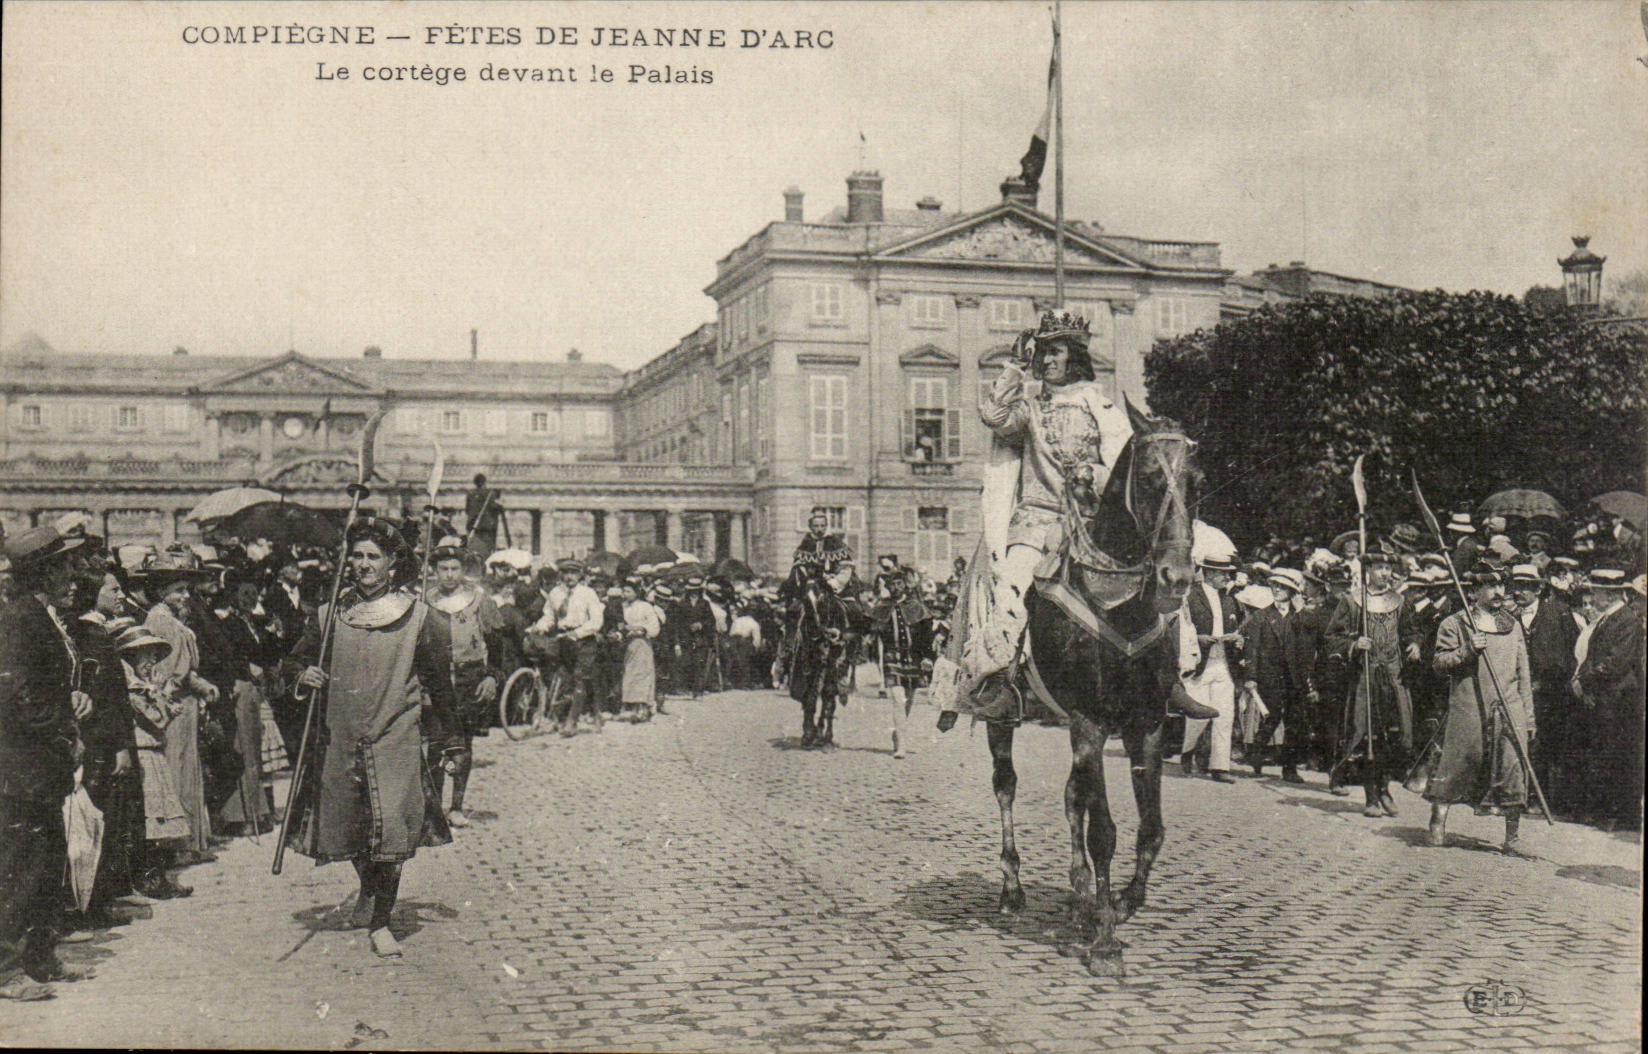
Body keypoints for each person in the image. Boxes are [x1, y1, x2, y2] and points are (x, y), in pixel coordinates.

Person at [937, 309, 1133, 723]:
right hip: (1036, 521)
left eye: (1055, 352)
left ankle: (1164, 680)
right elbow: (993, 417)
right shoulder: (1028, 408)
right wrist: (1014, 368)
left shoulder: (1100, 404)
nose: (1047, 361)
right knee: (1011, 590)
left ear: (1074, 356)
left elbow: (1122, 465)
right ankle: (1000, 682)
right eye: (1042, 353)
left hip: (1091, 524)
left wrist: (1094, 475)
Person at [285, 517, 468, 958]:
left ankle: (382, 920)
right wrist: (301, 675)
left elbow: (440, 687)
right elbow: (294, 662)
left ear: (392, 563)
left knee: (391, 831)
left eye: (373, 556)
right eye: (358, 555)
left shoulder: (421, 617)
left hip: (395, 735)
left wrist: (453, 741)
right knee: (348, 825)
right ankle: (369, 888)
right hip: (340, 735)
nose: (363, 564)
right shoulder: (328, 614)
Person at [0, 527, 93, 1000]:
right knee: (16, 869)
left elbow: (43, 688)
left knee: (43, 865)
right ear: (45, 571)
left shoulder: (42, 615)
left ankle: (39, 958)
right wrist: (63, 734)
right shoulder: (18, 618)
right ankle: (6, 970)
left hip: (41, 769)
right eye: (66, 566)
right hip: (21, 769)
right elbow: (18, 695)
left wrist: (72, 703)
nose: (74, 575)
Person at [1420, 563, 1536, 852]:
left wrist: (1529, 718)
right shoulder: (1455, 624)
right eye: (1490, 586)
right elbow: (1439, 664)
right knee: (1457, 765)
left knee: (1513, 768)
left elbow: (1524, 674)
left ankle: (1512, 837)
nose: (1499, 592)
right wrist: (1467, 650)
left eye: (1501, 586)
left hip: (1509, 708)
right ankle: (1438, 822)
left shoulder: (1513, 625)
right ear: (1473, 592)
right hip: (1469, 707)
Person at [135, 555, 218, 859]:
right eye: (178, 590)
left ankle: (191, 841)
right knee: (176, 770)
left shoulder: (172, 618)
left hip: (186, 702)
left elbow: (184, 670)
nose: (185, 596)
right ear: (161, 591)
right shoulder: (160, 620)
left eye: (186, 590)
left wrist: (201, 686)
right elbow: (163, 672)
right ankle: (177, 845)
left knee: (186, 768)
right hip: (174, 706)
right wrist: (168, 701)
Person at [1325, 551, 1417, 817]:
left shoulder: (1400, 602)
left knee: (1395, 735)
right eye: (1378, 568)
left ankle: (1385, 788)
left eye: (1388, 568)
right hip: (1365, 677)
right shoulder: (1352, 601)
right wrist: (1354, 644)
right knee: (1367, 736)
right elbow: (1332, 636)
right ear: (1368, 571)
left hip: (1394, 677)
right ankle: (1371, 796)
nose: (1384, 573)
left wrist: (1414, 644)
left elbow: (1412, 630)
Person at [424, 540, 503, 828]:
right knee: (434, 745)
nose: (448, 575)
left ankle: (456, 807)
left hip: (469, 679)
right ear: (433, 571)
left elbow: (496, 644)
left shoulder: (479, 600)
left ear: (462, 570)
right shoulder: (424, 600)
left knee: (461, 744)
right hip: (434, 681)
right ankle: (432, 810)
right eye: (442, 569)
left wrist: (491, 676)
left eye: (454, 568)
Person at [1572, 569, 1644, 831]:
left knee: (1615, 754)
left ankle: (1616, 814)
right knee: (1601, 751)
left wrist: (1585, 681)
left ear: (1611, 594)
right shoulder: (1607, 619)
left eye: (1596, 591)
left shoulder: (1627, 620)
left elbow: (1615, 663)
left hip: (1618, 699)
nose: (1592, 595)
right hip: (1603, 696)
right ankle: (1603, 809)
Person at [1511, 564, 1579, 818]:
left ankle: (1548, 799)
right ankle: (1521, 795)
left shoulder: (1559, 613)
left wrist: (1554, 683)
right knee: (1523, 742)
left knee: (1549, 744)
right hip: (1519, 692)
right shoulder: (1509, 617)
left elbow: (1574, 653)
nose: (1520, 592)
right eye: (1517, 587)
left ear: (1538, 589)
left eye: (1526, 587)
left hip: (1553, 694)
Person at [1179, 553, 1246, 782]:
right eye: (1222, 573)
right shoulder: (1190, 596)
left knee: (1224, 715)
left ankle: (1220, 767)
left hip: (1223, 664)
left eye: (1227, 573)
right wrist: (1199, 638)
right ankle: (1187, 751)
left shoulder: (1229, 599)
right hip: (1200, 664)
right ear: (1209, 573)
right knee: (1198, 715)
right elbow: (1182, 628)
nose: (1226, 577)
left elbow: (1236, 628)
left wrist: (1236, 639)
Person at [1246, 568, 1305, 782]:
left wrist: (1301, 613)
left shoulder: (1299, 618)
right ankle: (1257, 752)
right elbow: (1251, 649)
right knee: (1272, 716)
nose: (1277, 590)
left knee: (1294, 722)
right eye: (1275, 586)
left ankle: (1289, 769)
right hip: (1269, 676)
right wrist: (1251, 676)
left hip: (1294, 677)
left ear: (1292, 592)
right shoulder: (1261, 617)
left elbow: (1306, 644)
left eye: (1283, 587)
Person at [872, 567, 934, 758]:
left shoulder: (916, 606)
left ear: (906, 585)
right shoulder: (882, 608)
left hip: (913, 658)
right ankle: (902, 744)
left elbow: (926, 635)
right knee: (898, 700)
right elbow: (871, 627)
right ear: (888, 587)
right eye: (893, 584)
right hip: (892, 657)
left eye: (900, 583)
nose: (896, 587)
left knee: (908, 701)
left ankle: (897, 733)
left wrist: (927, 656)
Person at [618, 579, 662, 720]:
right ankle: (628, 705)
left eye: (628, 591)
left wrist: (641, 629)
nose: (625, 594)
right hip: (627, 644)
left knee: (642, 674)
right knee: (629, 673)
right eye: (623, 591)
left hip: (642, 644)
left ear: (636, 593)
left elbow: (654, 626)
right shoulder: (622, 607)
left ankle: (642, 706)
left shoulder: (645, 607)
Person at [463, 473, 509, 559]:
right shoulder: (489, 494)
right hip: (486, 528)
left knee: (473, 549)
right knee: (487, 551)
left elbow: (467, 510)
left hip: (472, 527)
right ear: (484, 482)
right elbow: (493, 506)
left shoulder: (470, 493)